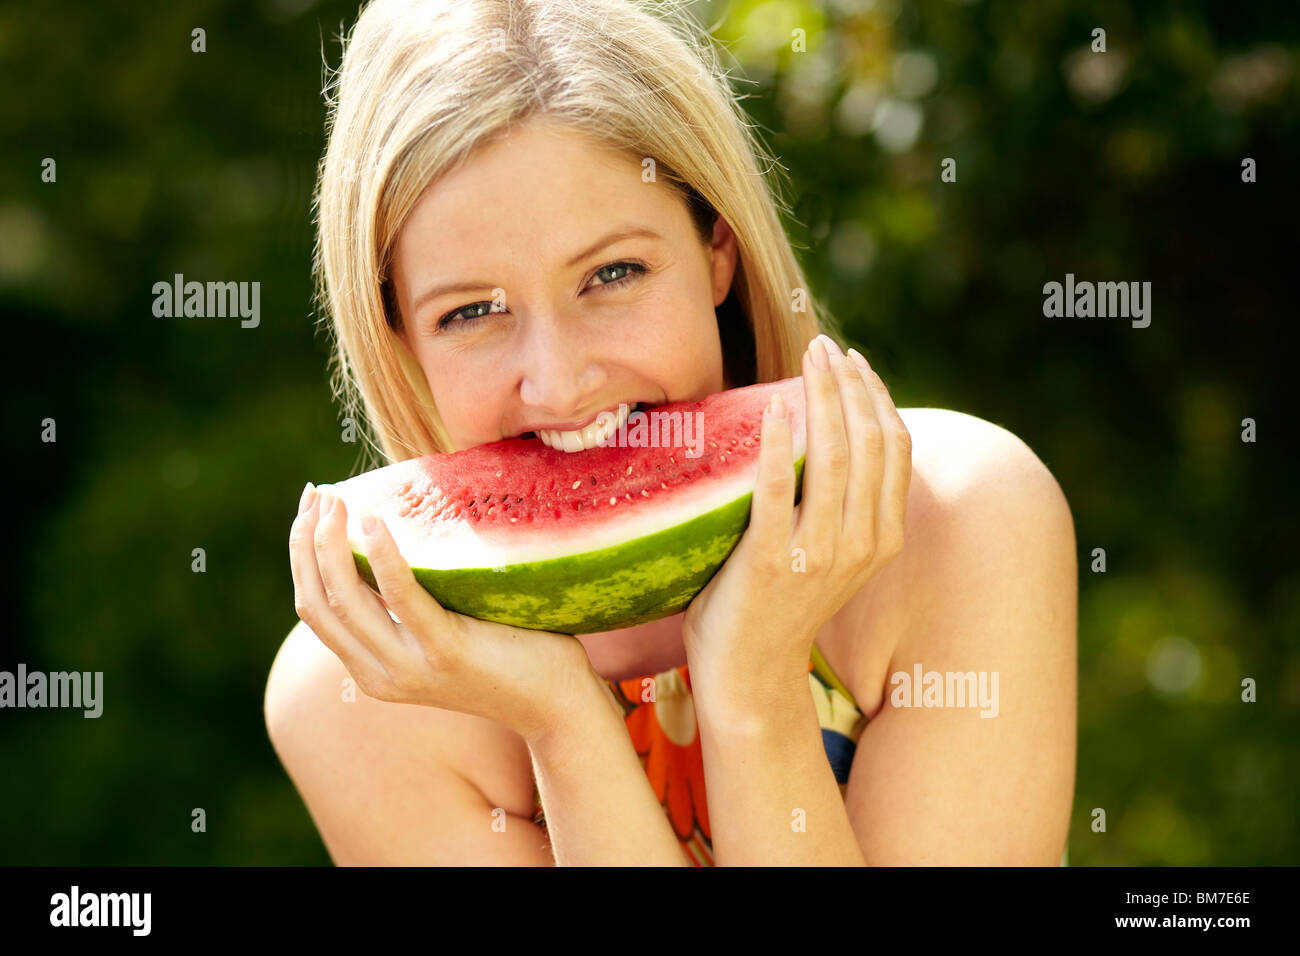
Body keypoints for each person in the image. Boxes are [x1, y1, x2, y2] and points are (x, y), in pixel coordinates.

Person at [265, 0, 1076, 866]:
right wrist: (561, 722)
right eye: (471, 312)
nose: (560, 380)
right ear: (399, 341)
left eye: (613, 273)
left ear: (718, 247)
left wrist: (753, 689)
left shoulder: (960, 526)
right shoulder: (353, 700)